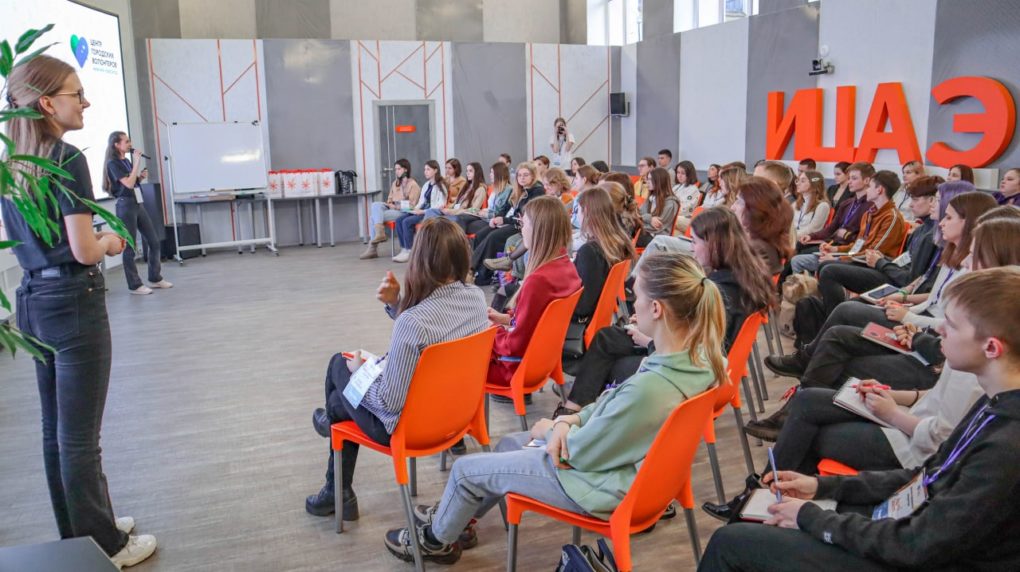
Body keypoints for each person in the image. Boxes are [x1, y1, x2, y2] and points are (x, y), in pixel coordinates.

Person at [383, 252, 727, 564]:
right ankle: (455, 519)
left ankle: (435, 542)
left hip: (596, 484)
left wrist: (553, 428)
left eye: (636, 297)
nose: (632, 305)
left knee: (464, 471)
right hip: (629, 476)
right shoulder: (699, 362)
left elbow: (580, 453)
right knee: (507, 445)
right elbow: (610, 411)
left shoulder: (650, 389)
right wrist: (572, 419)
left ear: (656, 309)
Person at [698, 267, 1020, 572]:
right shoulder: (994, 405)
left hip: (916, 551)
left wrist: (811, 518)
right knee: (763, 524)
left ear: (991, 347)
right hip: (910, 528)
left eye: (952, 325)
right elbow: (926, 476)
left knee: (731, 543)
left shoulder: (1005, 446)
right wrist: (821, 486)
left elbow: (915, 544)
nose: (938, 329)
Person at [1, 54, 156, 568]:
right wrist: (111, 240)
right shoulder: (65, 158)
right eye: (77, 93)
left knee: (57, 431)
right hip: (72, 304)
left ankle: (81, 531)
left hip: (33, 301)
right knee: (81, 438)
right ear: (47, 103)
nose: (86, 102)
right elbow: (85, 249)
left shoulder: (13, 163)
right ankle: (107, 545)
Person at [305, 218, 488, 519]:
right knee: (340, 402)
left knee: (339, 365)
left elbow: (389, 403)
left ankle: (335, 471)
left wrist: (360, 371)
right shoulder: (477, 300)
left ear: (419, 262)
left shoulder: (412, 322)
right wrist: (396, 305)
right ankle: (334, 458)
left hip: (411, 429)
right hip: (457, 417)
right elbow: (435, 331)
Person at [558, 207, 773, 415]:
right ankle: (576, 406)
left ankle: (577, 410)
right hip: (694, 364)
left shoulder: (722, 292)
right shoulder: (739, 278)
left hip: (685, 374)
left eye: (695, 242)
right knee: (608, 338)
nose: (691, 249)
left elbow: (696, 354)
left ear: (714, 245)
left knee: (610, 363)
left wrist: (649, 341)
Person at [485, 196, 582, 391]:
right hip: (543, 363)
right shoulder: (566, 267)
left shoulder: (539, 281)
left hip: (514, 369)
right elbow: (536, 323)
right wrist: (503, 319)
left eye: (524, 224)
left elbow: (514, 345)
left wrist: (491, 331)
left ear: (538, 229)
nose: (521, 229)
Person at [814, 176, 942, 314]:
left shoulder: (897, 220)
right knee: (824, 266)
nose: (910, 205)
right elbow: (859, 244)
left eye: (915, 200)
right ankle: (830, 312)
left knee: (829, 271)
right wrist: (837, 250)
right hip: (886, 268)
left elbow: (909, 277)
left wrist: (842, 257)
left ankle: (830, 314)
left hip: (893, 278)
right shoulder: (869, 214)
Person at [102, 131, 172, 294]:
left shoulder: (125, 161)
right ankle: (134, 285)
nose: (130, 144)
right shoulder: (113, 164)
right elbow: (127, 184)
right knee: (130, 246)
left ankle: (155, 277)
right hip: (125, 206)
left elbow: (132, 183)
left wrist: (140, 177)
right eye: (126, 142)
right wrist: (137, 164)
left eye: (129, 141)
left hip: (137, 203)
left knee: (154, 241)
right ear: (117, 145)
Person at [788, 162, 874, 275]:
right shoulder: (847, 203)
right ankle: (793, 284)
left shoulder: (871, 207)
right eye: (849, 178)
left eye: (854, 178)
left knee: (798, 258)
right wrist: (811, 236)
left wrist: (846, 236)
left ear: (867, 181)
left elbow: (863, 239)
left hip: (848, 250)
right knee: (798, 250)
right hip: (834, 245)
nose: (849, 182)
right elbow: (831, 228)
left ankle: (796, 284)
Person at [470, 162, 544, 285]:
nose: (522, 178)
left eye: (526, 175)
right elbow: (506, 209)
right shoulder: (519, 190)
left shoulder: (537, 191)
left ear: (533, 176)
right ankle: (478, 271)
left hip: (523, 226)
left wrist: (504, 220)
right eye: (519, 175)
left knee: (493, 237)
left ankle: (476, 271)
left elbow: (525, 218)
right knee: (480, 234)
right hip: (513, 222)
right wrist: (497, 218)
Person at [362, 158, 421, 259]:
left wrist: (397, 206)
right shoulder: (395, 183)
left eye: (399, 169)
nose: (396, 171)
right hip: (392, 208)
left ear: (406, 169)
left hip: (403, 212)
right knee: (375, 205)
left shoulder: (413, 185)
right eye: (395, 169)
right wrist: (390, 204)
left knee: (373, 218)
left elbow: (412, 205)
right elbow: (389, 199)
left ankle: (373, 248)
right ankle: (379, 234)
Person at [392, 160, 447, 262]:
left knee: (407, 222)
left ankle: (410, 251)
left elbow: (440, 205)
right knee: (399, 220)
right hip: (421, 210)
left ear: (435, 170)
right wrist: (415, 209)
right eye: (425, 169)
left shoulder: (441, 185)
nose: (425, 172)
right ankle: (404, 249)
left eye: (428, 169)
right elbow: (421, 201)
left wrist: (423, 211)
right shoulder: (426, 184)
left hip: (430, 213)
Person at [458, 162, 511, 236]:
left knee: (463, 221)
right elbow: (491, 208)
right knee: (462, 219)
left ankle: (460, 241)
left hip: (495, 222)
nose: (490, 175)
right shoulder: (495, 190)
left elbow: (501, 213)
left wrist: (485, 214)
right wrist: (483, 211)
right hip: (487, 218)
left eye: (492, 172)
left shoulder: (509, 190)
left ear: (499, 174)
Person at [637, 167, 680, 246]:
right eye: (648, 179)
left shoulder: (671, 203)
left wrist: (638, 223)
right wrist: (649, 218)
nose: (647, 182)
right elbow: (637, 214)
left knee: (624, 235)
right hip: (646, 234)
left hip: (658, 240)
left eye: (650, 179)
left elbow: (656, 227)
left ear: (660, 181)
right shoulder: (651, 197)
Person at [791, 170, 831, 239]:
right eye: (798, 180)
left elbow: (813, 229)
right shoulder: (795, 204)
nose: (798, 184)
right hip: (792, 238)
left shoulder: (822, 206)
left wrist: (790, 236)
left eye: (802, 181)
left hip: (805, 240)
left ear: (814, 185)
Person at [672, 160, 703, 234]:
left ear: (689, 174)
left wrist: (669, 211)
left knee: (666, 218)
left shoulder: (693, 190)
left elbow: (685, 209)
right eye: (678, 172)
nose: (679, 175)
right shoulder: (676, 187)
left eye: (683, 173)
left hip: (685, 218)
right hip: (676, 216)